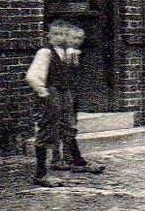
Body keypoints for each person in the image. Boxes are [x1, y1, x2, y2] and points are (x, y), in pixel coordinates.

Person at [25, 18, 105, 187]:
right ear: (48, 35)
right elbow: (33, 76)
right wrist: (44, 93)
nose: (59, 37)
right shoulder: (45, 52)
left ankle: (76, 161)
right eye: (55, 34)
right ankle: (41, 174)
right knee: (48, 131)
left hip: (64, 93)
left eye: (63, 34)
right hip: (51, 93)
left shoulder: (67, 53)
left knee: (68, 127)